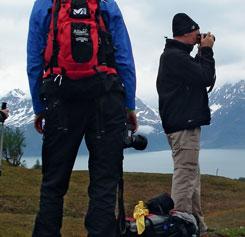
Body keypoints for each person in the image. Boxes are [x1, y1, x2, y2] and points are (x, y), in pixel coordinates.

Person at [27, 0, 137, 236]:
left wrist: (39, 107)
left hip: (61, 98)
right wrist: (129, 105)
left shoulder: (44, 4)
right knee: (104, 182)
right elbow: (124, 54)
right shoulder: (106, 3)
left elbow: (34, 59)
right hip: (106, 98)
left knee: (53, 184)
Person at [156, 13, 215, 237]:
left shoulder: (176, 56)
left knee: (192, 176)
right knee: (185, 174)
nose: (198, 37)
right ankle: (179, 226)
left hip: (182, 124)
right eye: (196, 33)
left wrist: (202, 51)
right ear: (187, 32)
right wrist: (207, 50)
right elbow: (206, 77)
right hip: (184, 125)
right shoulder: (174, 57)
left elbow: (201, 76)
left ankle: (196, 226)